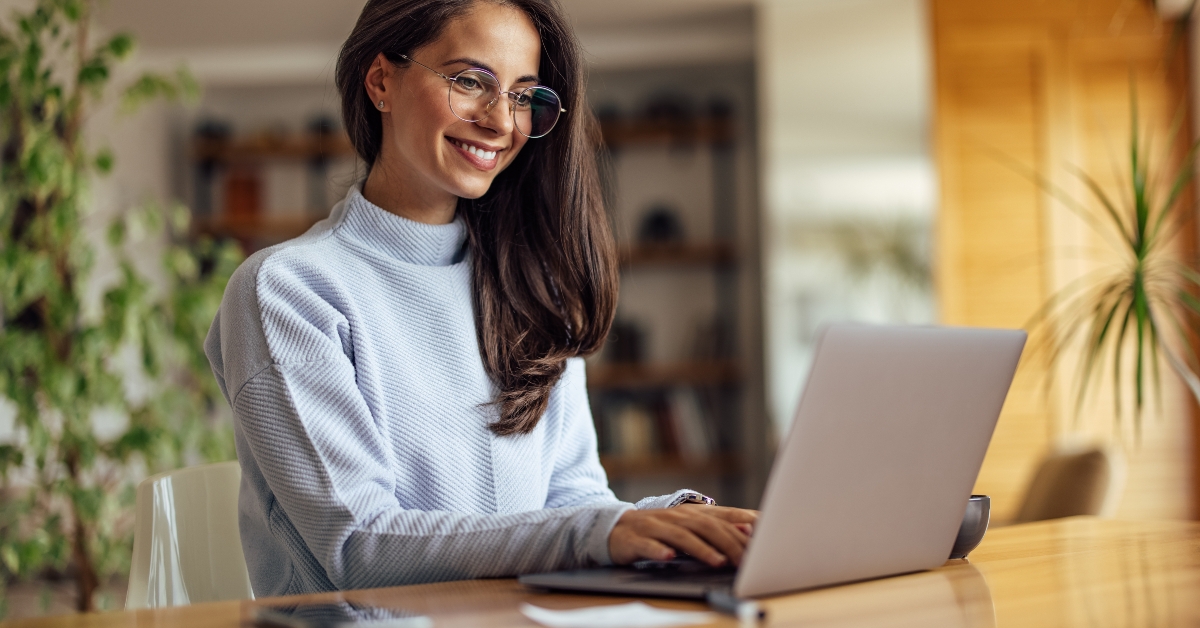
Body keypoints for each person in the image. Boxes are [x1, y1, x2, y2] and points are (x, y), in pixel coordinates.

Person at [204, 0, 757, 598]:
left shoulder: (533, 290)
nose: (502, 122)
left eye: (524, 95)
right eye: (471, 82)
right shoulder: (288, 291)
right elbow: (358, 544)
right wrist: (601, 529)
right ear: (381, 79)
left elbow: (573, 504)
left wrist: (678, 523)